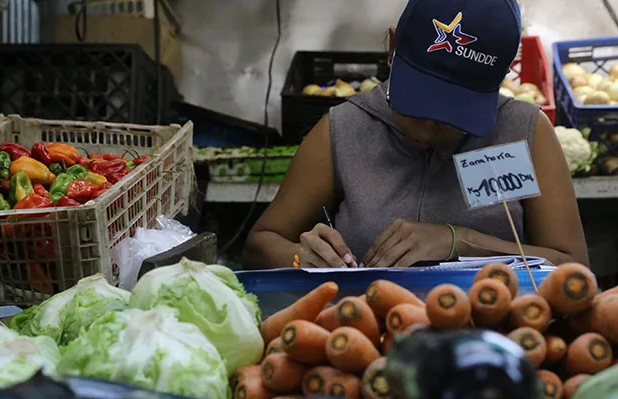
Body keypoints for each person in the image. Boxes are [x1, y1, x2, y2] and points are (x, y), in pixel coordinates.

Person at [243, 0, 588, 269]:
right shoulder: (344, 129)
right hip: (365, 336)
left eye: (454, 114)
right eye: (417, 107)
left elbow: (574, 268)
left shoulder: (524, 132)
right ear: (393, 49)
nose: (428, 129)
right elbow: (260, 244)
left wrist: (460, 241)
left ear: (500, 78)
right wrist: (302, 258)